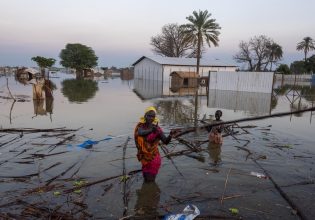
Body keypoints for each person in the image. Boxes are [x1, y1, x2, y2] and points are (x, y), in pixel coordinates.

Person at [134, 106, 175, 182]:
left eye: (153, 116)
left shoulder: (157, 129)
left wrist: (171, 135)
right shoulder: (140, 126)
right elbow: (140, 133)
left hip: (153, 158)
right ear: (145, 116)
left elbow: (165, 141)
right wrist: (151, 130)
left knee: (150, 182)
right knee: (146, 180)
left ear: (154, 118)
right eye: (149, 115)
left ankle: (153, 193)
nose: (150, 118)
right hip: (144, 158)